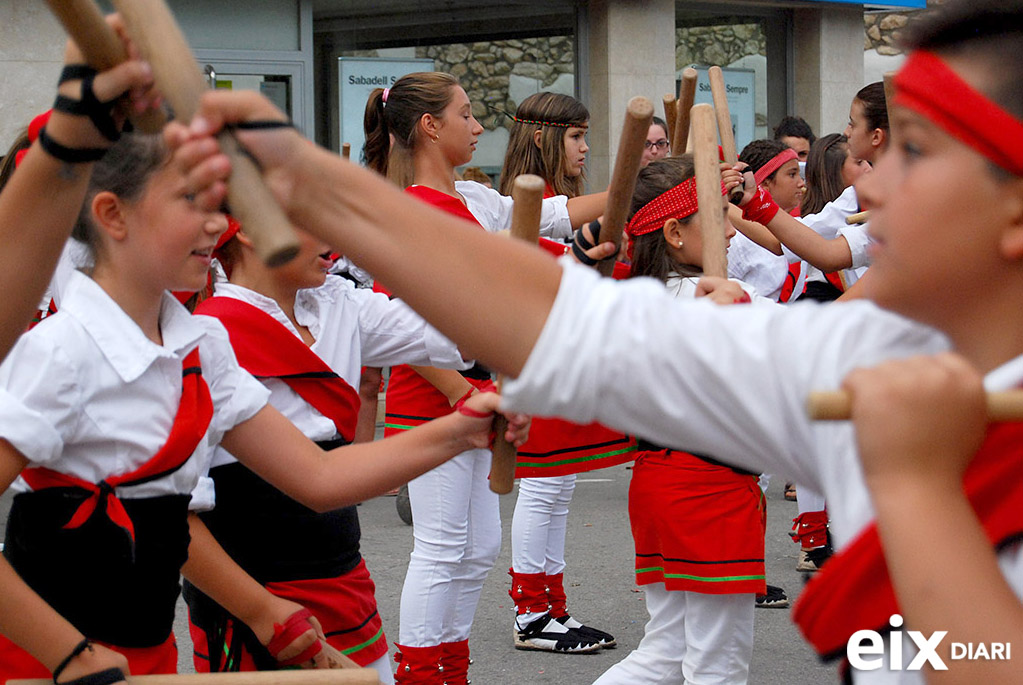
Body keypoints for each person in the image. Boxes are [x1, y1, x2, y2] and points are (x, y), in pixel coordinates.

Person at [168, 0, 1023, 679]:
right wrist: (310, 179)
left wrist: (911, 488)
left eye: (910, 151)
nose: (860, 186)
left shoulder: (888, 383)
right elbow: (567, 325)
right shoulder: (862, 356)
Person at [0, 65, 525, 685]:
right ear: (113, 216)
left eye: (219, 204)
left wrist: (460, 431)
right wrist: (70, 655)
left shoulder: (201, 348)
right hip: (39, 663)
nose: (217, 225)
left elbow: (320, 476)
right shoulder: (64, 351)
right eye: (193, 202)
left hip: (148, 660)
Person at [362, 72, 604, 682]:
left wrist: (650, 183)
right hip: (434, 401)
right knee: (442, 546)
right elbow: (397, 322)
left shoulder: (474, 200)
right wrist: (462, 391)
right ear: (429, 126)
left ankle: (450, 666)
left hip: (477, 396)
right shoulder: (411, 209)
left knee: (478, 550)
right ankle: (419, 671)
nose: (479, 127)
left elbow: (557, 213)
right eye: (467, 115)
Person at [181, 215, 475, 681]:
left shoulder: (341, 305)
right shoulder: (202, 341)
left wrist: (556, 266)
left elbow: (458, 330)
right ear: (250, 230)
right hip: (259, 606)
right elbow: (173, 514)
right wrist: (261, 612)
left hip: (347, 583)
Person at [591, 155, 767, 684]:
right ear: (673, 232)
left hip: (658, 482)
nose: (732, 230)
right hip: (708, 491)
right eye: (716, 217)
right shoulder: (725, 305)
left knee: (666, 650)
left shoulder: (638, 302)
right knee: (717, 664)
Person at [498, 91, 629, 654]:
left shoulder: (565, 199)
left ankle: (551, 609)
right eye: (576, 137)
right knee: (543, 487)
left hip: (567, 356)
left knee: (560, 487)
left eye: (585, 136)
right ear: (541, 137)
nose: (585, 147)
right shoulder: (519, 204)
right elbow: (531, 276)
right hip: (536, 357)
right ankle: (530, 613)